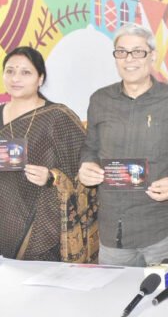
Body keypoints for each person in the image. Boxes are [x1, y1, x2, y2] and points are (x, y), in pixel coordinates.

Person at [78, 23, 168, 268]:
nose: (129, 59)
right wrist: (87, 165)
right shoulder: (100, 100)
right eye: (121, 52)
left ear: (152, 56)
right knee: (113, 293)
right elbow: (90, 148)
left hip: (162, 228)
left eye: (138, 52)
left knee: (166, 294)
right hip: (113, 231)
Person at [0, 46, 98, 262]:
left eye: (25, 72)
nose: (16, 78)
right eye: (10, 71)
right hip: (4, 218)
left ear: (40, 78)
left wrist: (52, 177)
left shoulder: (57, 117)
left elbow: (86, 168)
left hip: (42, 224)